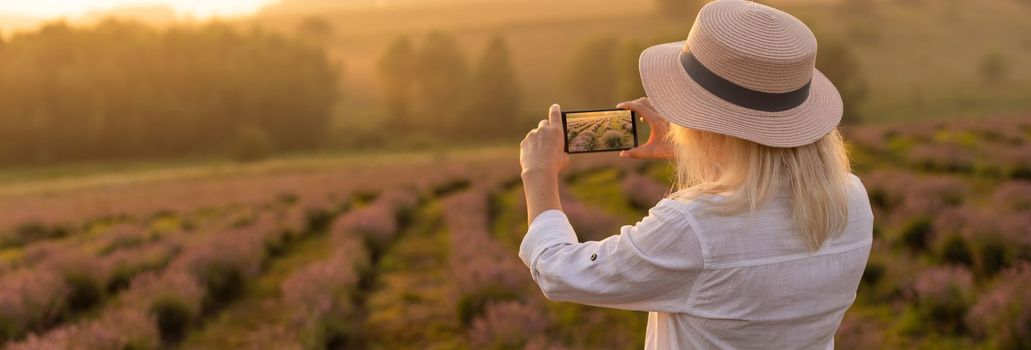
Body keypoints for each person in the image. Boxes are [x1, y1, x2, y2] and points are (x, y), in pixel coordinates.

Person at [517, 0, 873, 349]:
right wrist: (698, 148)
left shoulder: (694, 226)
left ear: (703, 122)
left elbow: (558, 272)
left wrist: (538, 173)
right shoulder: (852, 200)